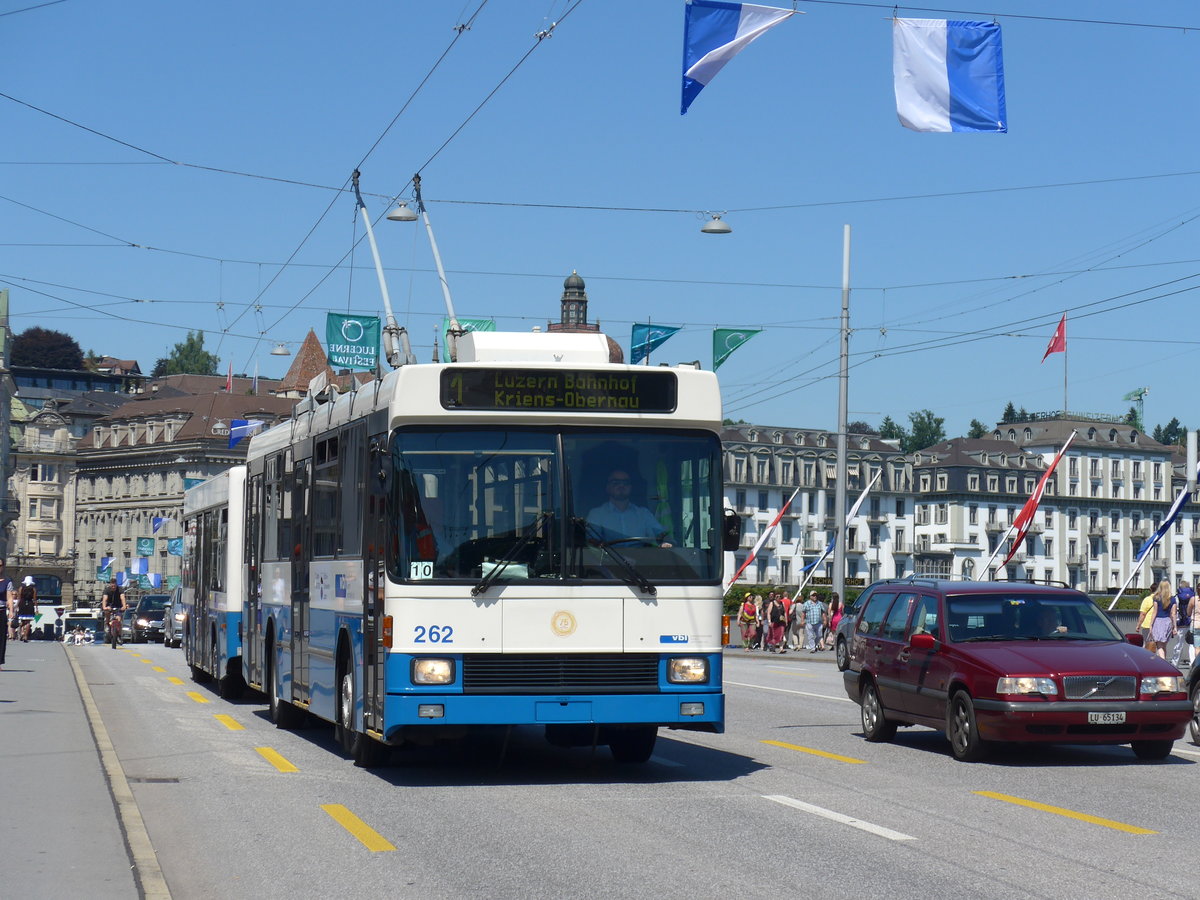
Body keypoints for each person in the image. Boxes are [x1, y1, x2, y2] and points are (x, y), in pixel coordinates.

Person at [586, 468, 671, 547]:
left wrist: (665, 543)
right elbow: (591, 543)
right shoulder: (596, 514)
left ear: (631, 487)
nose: (621, 486)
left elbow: (661, 535)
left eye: (625, 483)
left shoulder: (644, 514)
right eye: (616, 482)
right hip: (608, 561)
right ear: (607, 487)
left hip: (642, 561)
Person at [1146, 579, 1175, 659]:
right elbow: (1173, 613)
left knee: (1159, 646)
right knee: (1164, 645)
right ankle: (1164, 662)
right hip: (1168, 621)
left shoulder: (1156, 598)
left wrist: (1151, 624)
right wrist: (1174, 626)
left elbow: (1154, 612)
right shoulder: (1172, 599)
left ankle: (1163, 662)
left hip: (1159, 621)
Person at [1170, 580, 1195, 668]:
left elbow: (1175, 611)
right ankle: (1193, 663)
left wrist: (1174, 625)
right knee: (1192, 644)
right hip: (1191, 622)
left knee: (1179, 644)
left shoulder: (1178, 596)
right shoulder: (1193, 596)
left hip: (1181, 623)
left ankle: (1175, 662)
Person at [100, 578, 127, 648]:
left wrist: (124, 606)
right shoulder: (107, 590)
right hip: (109, 606)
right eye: (112, 586)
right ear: (110, 585)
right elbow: (105, 599)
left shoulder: (120, 589)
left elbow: (122, 598)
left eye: (114, 586)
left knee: (119, 619)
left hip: (118, 606)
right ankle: (108, 624)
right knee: (107, 612)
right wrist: (104, 607)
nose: (113, 587)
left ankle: (119, 635)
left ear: (116, 585)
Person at [15, 576, 37, 642]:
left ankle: (21, 632)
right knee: (28, 622)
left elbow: (19, 598)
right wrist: (36, 608)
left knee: (22, 620)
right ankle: (26, 636)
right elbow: (35, 599)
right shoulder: (33, 589)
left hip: (22, 604)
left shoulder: (21, 588)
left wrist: (16, 606)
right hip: (30, 604)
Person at [0, 560, 11, 669]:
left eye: (0, 565)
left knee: (1, 637)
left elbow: (9, 597)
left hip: (2, 610)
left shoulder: (7, 582)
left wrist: (11, 611)